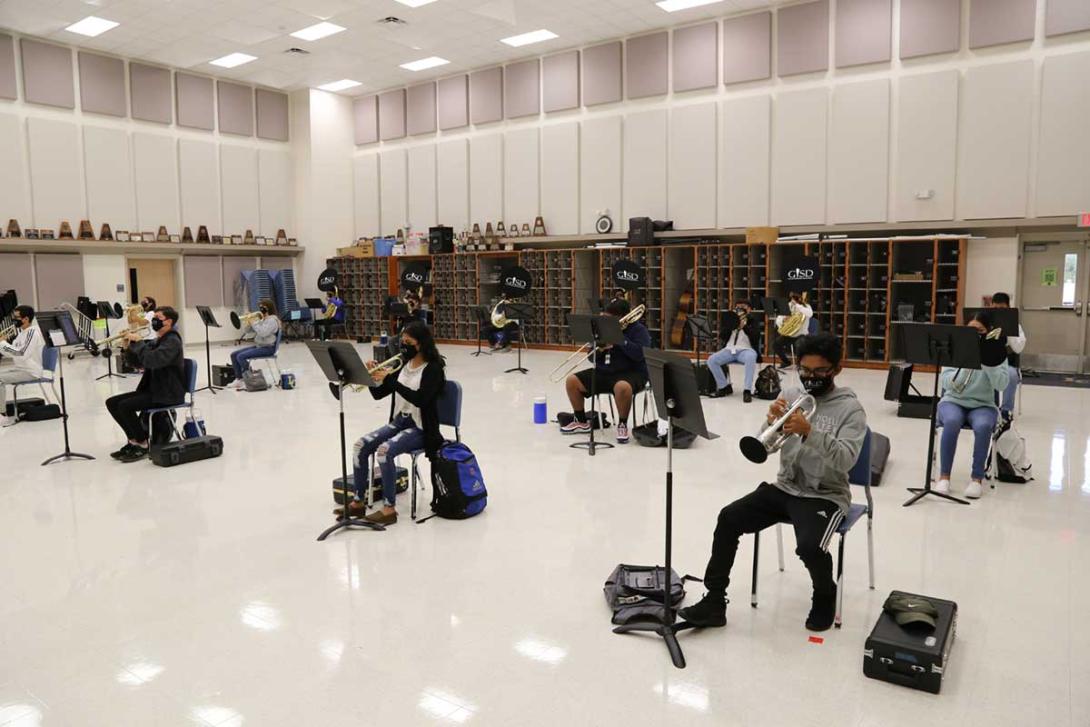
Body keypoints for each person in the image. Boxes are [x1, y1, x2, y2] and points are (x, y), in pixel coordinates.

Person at [680, 333, 867, 632]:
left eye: (819, 371)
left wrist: (810, 432)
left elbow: (846, 460)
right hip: (785, 487)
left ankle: (824, 594)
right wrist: (770, 422)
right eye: (805, 370)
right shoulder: (793, 395)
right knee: (729, 518)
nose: (811, 377)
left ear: (836, 369)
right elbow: (766, 446)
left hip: (825, 495)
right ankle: (714, 601)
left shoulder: (851, 410)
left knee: (809, 547)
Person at [340, 321, 446, 526]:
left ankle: (389, 509)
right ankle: (357, 502)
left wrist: (393, 381)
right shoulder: (403, 365)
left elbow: (421, 399)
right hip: (400, 421)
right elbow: (379, 395)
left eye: (408, 342)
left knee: (384, 451)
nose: (403, 345)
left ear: (421, 344)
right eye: (402, 341)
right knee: (360, 446)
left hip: (421, 428)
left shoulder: (434, 369)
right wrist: (372, 378)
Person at [935, 310, 1009, 499]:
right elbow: (944, 380)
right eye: (971, 330)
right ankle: (944, 477)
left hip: (983, 404)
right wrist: (965, 364)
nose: (975, 335)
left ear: (988, 332)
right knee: (951, 421)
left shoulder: (997, 352)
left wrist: (987, 363)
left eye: (980, 331)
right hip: (953, 400)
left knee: (984, 426)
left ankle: (976, 479)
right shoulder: (955, 347)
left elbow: (1001, 384)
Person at [560, 298, 651, 444]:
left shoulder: (639, 330)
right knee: (572, 381)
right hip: (605, 371)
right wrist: (601, 349)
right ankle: (581, 420)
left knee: (622, 387)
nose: (605, 322)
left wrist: (620, 340)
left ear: (620, 317)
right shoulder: (602, 329)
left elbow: (640, 355)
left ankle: (622, 424)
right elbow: (591, 358)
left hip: (632, 373)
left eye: (608, 319)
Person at [105, 306, 185, 463]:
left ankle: (142, 443)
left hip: (167, 393)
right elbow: (138, 363)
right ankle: (134, 440)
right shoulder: (158, 341)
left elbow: (152, 360)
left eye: (157, 318)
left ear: (168, 322)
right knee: (112, 402)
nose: (153, 321)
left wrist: (140, 342)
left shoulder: (173, 341)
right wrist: (128, 348)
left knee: (125, 406)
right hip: (154, 390)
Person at [707, 301, 762, 402]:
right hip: (730, 349)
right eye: (738, 307)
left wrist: (744, 326)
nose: (740, 309)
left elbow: (756, 337)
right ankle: (723, 387)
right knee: (712, 360)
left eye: (743, 307)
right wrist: (730, 326)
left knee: (751, 357)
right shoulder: (731, 319)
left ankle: (747, 390)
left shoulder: (753, 321)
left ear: (749, 309)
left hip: (746, 350)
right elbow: (722, 336)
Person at [0, 306, 44, 427]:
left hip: (31, 371)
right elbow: (11, 352)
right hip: (20, 368)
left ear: (26, 319)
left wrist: (3, 343)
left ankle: (2, 415)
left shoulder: (33, 333)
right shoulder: (21, 333)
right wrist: (2, 344)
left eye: (16, 317)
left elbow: (21, 353)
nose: (13, 320)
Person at [989, 292, 1026, 420]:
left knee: (1011, 375)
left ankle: (1006, 411)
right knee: (986, 372)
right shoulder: (985, 322)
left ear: (1008, 308)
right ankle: (990, 407)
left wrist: (1008, 329)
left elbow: (1018, 348)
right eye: (995, 308)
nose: (998, 312)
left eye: (1002, 309)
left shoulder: (1016, 326)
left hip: (1007, 364)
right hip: (988, 363)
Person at [229, 298, 280, 389]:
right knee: (234, 355)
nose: (260, 309)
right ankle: (239, 379)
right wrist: (249, 322)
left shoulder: (272, 320)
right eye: (260, 307)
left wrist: (253, 322)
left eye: (262, 307)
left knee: (241, 356)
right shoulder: (262, 319)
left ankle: (248, 377)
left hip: (268, 348)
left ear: (268, 308)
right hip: (259, 346)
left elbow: (263, 333)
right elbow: (247, 331)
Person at [773, 292, 813, 368]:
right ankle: (786, 362)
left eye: (794, 299)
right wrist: (783, 320)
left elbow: (810, 314)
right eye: (791, 299)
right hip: (789, 334)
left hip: (801, 334)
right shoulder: (788, 306)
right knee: (776, 344)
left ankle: (801, 364)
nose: (792, 301)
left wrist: (798, 306)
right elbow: (779, 318)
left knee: (799, 345)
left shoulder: (806, 306)